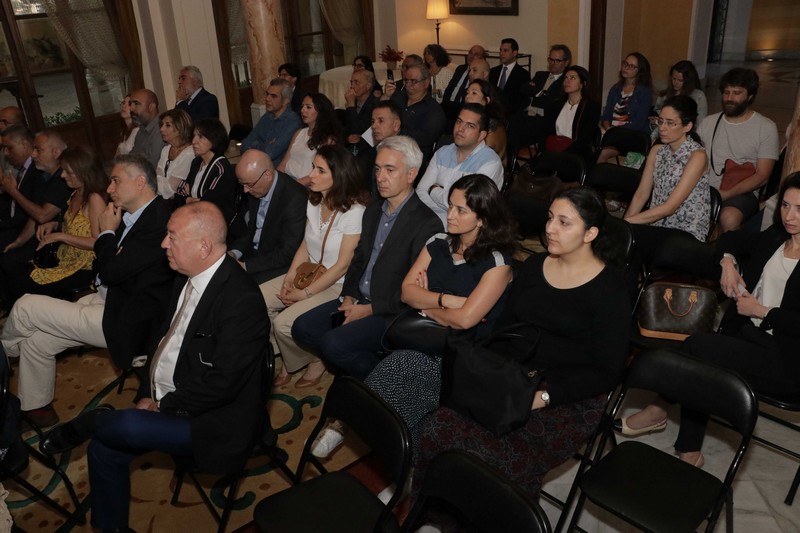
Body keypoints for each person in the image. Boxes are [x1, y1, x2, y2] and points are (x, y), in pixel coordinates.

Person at [36, 202, 269, 532]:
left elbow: (222, 384)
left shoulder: (241, 301)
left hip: (213, 423)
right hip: (172, 397)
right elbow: (162, 345)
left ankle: (95, 421)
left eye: (172, 237)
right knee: (105, 449)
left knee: (127, 427)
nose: (163, 244)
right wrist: (148, 392)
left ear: (203, 246)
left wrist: (162, 405)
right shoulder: (185, 278)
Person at [412, 187, 631, 499]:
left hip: (567, 396)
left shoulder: (610, 290)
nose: (550, 228)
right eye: (550, 218)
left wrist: (543, 397)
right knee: (438, 429)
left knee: (494, 460)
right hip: (514, 376)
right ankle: (433, 510)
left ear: (590, 233)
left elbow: (607, 372)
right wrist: (486, 373)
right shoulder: (533, 266)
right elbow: (505, 331)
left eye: (564, 223)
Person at [617, 172, 800, 469]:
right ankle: (680, 439)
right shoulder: (777, 237)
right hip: (747, 336)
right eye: (786, 206)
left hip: (786, 356)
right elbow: (729, 237)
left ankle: (666, 418)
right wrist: (727, 263)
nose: (790, 216)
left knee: (700, 351)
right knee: (703, 359)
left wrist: (764, 312)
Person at [0, 154, 174, 428]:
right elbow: (115, 268)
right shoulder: (132, 215)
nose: (109, 188)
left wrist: (106, 233)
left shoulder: (157, 220)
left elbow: (111, 270)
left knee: (25, 307)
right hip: (111, 299)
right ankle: (36, 408)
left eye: (116, 181)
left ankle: (2, 356)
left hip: (129, 320)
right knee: (37, 342)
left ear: (140, 182)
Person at [364, 173, 516, 437]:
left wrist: (426, 305)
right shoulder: (436, 243)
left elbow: (465, 321)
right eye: (450, 206)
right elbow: (406, 293)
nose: (450, 215)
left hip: (458, 356)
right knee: (393, 374)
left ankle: (381, 433)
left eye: (461, 210)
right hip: (419, 336)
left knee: (399, 369)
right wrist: (447, 302)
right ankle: (383, 431)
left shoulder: (497, 265)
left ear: (482, 219)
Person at [291, 135, 442, 384]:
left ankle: (383, 384)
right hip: (357, 299)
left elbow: (415, 288)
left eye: (390, 170)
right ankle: (365, 369)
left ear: (411, 174)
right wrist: (349, 295)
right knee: (303, 328)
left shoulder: (426, 223)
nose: (380, 177)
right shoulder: (373, 210)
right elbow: (358, 259)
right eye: (378, 168)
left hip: (389, 312)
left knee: (333, 343)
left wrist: (368, 310)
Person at [261, 145, 368, 387]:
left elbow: (342, 266)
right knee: (257, 299)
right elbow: (304, 245)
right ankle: (287, 354)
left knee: (283, 323)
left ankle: (314, 358)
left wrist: (304, 294)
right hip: (308, 271)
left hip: (335, 283)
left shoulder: (354, 212)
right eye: (313, 168)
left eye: (320, 171)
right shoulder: (314, 201)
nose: (312, 175)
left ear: (338, 175)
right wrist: (289, 277)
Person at [8, 146, 108, 305]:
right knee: (16, 275)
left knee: (23, 287)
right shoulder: (75, 192)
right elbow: (80, 225)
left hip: (85, 268)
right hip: (66, 259)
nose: (62, 175)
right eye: (63, 170)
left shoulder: (94, 198)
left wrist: (60, 236)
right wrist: (54, 225)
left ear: (84, 172)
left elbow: (99, 242)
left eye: (68, 172)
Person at [696, 67, 779, 232]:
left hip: (742, 191)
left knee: (729, 217)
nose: (730, 98)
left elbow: (762, 176)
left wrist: (726, 194)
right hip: (704, 187)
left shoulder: (766, 127)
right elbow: (693, 159)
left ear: (750, 96)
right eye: (726, 92)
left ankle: (726, 255)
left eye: (737, 93)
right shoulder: (708, 122)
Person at [416, 104, 505, 225]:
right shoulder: (442, 153)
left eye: (470, 125)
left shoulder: (490, 163)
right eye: (459, 121)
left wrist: (433, 191)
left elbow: (467, 204)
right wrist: (438, 218)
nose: (460, 128)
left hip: (469, 233)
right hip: (431, 221)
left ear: (481, 135)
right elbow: (421, 191)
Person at [229, 149, 307, 284]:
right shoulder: (257, 187)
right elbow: (251, 230)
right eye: (242, 184)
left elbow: (287, 252)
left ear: (268, 175)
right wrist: (234, 253)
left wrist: (246, 266)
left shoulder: (295, 198)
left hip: (275, 263)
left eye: (249, 184)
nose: (245, 190)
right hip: (254, 252)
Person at [174, 118, 239, 224]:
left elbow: (208, 205)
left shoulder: (220, 168)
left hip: (215, 223)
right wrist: (188, 199)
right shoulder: (196, 162)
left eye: (200, 137)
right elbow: (178, 194)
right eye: (194, 136)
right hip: (195, 218)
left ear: (214, 140)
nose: (194, 141)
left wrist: (187, 197)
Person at [385, 63, 446, 167]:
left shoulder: (433, 110)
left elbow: (426, 139)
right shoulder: (397, 97)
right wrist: (385, 97)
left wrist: (396, 130)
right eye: (406, 80)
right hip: (387, 146)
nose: (408, 85)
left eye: (413, 81)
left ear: (426, 83)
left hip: (412, 158)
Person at [598, 52, 653, 163]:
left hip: (633, 135)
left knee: (604, 152)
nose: (626, 68)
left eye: (631, 66)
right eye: (625, 64)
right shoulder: (616, 89)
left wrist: (616, 133)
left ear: (640, 71)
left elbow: (639, 122)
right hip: (612, 133)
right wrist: (609, 129)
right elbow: (607, 114)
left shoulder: (644, 92)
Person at [540, 65, 600, 164]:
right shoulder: (555, 105)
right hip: (554, 150)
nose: (567, 81)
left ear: (582, 84)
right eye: (566, 78)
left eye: (572, 78)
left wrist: (563, 154)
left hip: (577, 154)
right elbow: (545, 132)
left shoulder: (591, 107)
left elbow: (584, 138)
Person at [277, 92, 341, 186]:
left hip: (304, 185)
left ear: (320, 111)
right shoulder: (299, 133)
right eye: (302, 106)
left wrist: (291, 187)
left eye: (308, 107)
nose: (303, 110)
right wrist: (276, 180)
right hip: (287, 180)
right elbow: (283, 163)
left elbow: (319, 174)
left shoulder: (328, 140)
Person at [240, 78, 302, 165]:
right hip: (257, 165)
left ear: (285, 101)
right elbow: (244, 145)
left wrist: (254, 144)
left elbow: (270, 153)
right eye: (267, 94)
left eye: (273, 96)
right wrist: (264, 144)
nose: (267, 99)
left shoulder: (293, 122)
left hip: (276, 172)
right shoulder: (266, 117)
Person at [652, 60, 708, 132]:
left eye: (680, 80)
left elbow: (701, 124)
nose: (676, 83)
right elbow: (656, 112)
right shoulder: (664, 95)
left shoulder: (699, 97)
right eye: (674, 79)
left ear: (688, 81)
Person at [463, 79, 508, 164]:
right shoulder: (474, 120)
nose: (467, 96)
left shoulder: (491, 124)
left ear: (486, 100)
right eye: (467, 93)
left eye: (474, 93)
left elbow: (482, 158)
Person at [155, 109, 195, 200]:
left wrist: (159, 182)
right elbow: (157, 177)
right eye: (162, 125)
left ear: (180, 128)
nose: (161, 129)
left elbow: (168, 191)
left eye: (167, 125)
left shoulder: (189, 154)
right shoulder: (166, 150)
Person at [442, 44, 487, 123]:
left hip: (463, 109)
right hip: (448, 106)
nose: (471, 56)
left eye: (476, 54)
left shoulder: (479, 75)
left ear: (482, 59)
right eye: (470, 53)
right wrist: (445, 103)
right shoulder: (460, 68)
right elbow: (450, 87)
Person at [489, 38, 531, 115]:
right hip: (492, 113)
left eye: (505, 51)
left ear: (514, 53)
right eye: (500, 50)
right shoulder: (493, 71)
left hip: (511, 115)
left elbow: (522, 101)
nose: (501, 53)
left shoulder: (523, 74)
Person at [129, 88, 166, 168]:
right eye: (130, 104)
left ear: (151, 107)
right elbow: (131, 158)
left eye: (136, 103)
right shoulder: (141, 130)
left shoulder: (162, 129)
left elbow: (152, 166)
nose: (131, 108)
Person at [344, 69, 379, 147]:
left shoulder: (375, 105)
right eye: (351, 82)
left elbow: (357, 131)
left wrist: (351, 106)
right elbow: (346, 129)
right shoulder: (353, 101)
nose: (352, 86)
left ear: (368, 86)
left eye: (357, 82)